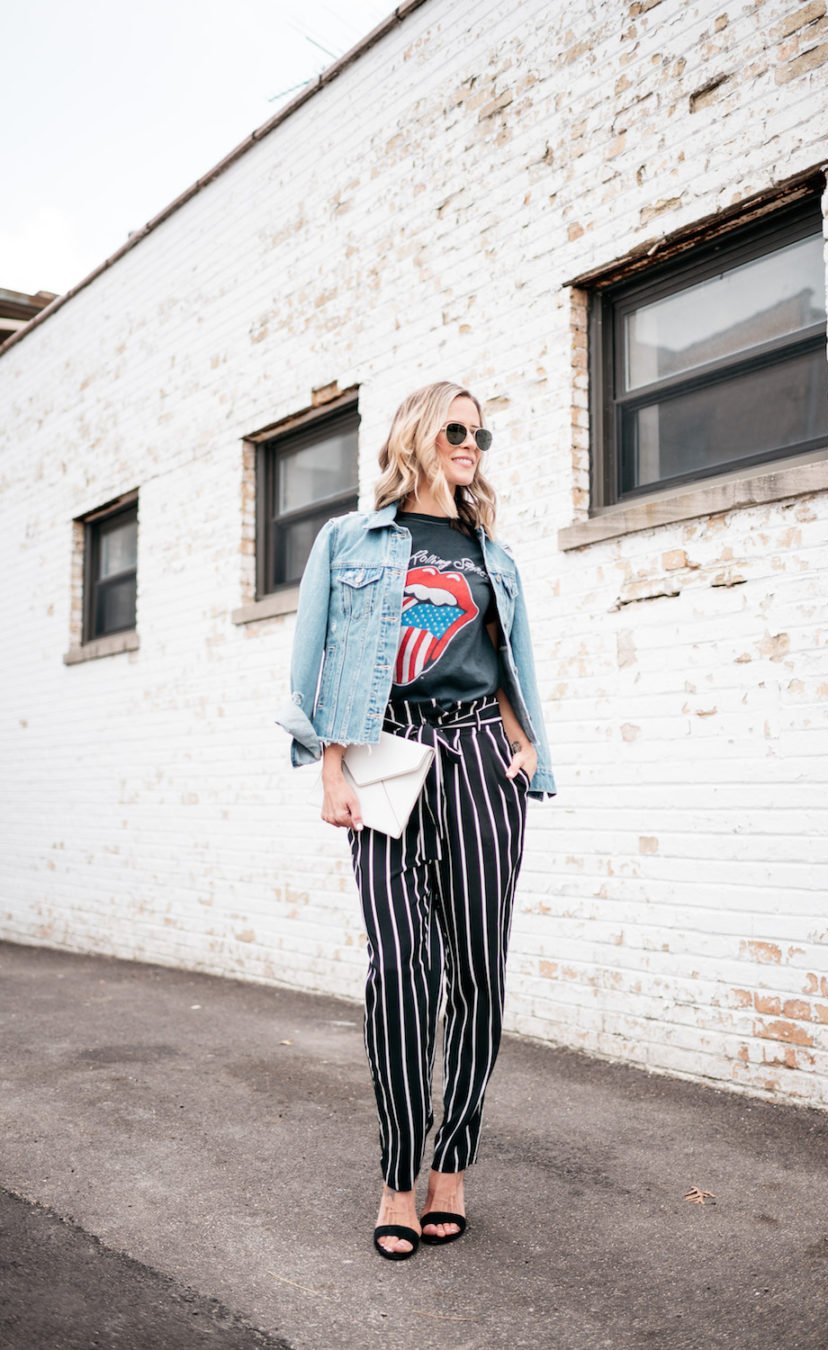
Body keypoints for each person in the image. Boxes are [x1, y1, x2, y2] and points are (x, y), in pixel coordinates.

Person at [276, 380, 556, 1260]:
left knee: (476, 971)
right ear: (417, 435)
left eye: (481, 433)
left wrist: (526, 749)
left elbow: (512, 665)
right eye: (457, 429)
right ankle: (399, 1176)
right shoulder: (347, 540)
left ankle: (452, 1167)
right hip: (386, 760)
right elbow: (316, 655)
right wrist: (329, 767)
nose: (472, 444)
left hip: (479, 764)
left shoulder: (491, 555)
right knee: (400, 968)